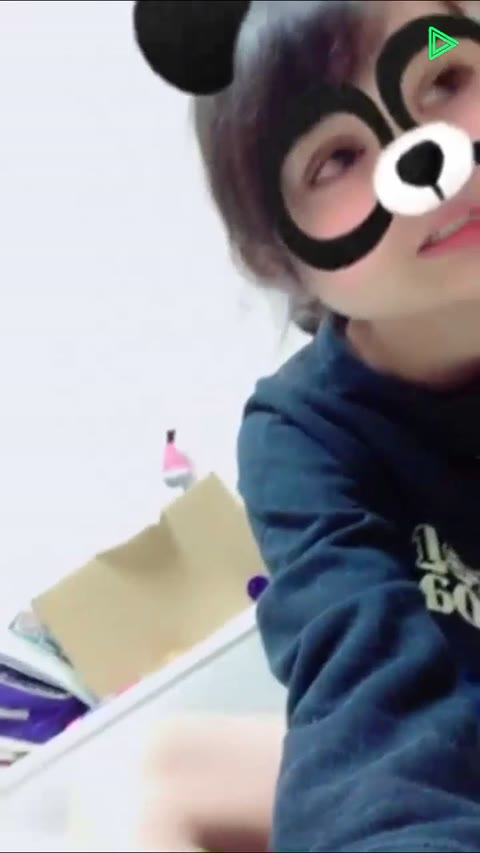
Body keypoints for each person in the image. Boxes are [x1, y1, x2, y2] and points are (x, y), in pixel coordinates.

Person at [133, 0, 480, 851]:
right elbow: (369, 710)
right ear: (275, 256)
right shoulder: (305, 437)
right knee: (167, 768)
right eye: (336, 157)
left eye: (445, 77)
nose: (427, 154)